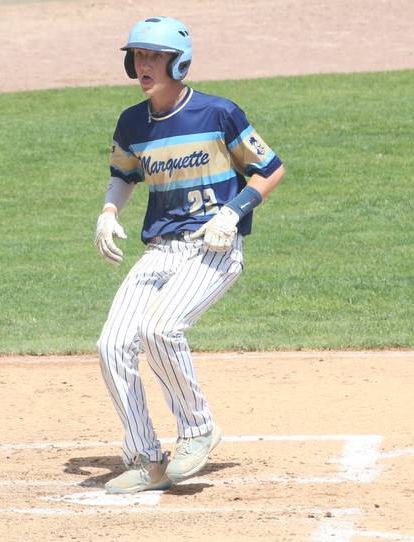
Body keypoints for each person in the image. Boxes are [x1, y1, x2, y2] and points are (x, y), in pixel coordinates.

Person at [95, 17, 285, 494]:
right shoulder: (132, 122)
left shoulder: (219, 113)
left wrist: (232, 213)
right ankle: (144, 457)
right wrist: (108, 211)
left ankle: (199, 429)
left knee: (160, 328)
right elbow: (124, 173)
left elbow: (270, 170)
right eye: (139, 55)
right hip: (161, 250)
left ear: (178, 61)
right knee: (113, 343)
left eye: (154, 56)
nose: (144, 64)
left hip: (213, 249)